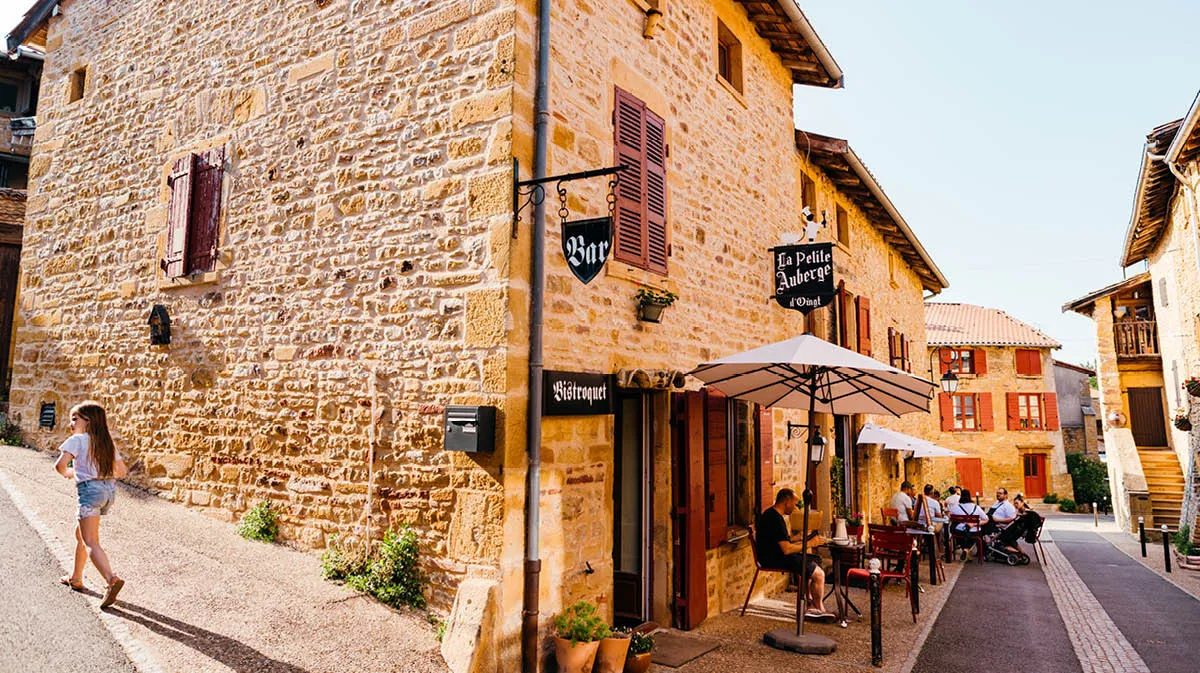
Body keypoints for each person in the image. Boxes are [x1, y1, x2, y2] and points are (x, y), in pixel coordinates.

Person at [55, 401, 127, 608]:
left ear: (88, 421)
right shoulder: (106, 443)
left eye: (75, 418)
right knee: (81, 534)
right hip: (108, 492)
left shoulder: (76, 440)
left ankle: (111, 579)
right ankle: (76, 578)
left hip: (90, 491)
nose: (71, 422)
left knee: (91, 541)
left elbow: (60, 465)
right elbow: (121, 471)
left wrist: (70, 473)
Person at [755, 488, 831, 618]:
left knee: (812, 560)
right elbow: (786, 549)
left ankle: (811, 603)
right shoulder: (776, 520)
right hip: (774, 558)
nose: (795, 507)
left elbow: (779, 540)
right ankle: (819, 610)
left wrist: (799, 537)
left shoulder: (770, 514)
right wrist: (810, 544)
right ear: (786, 502)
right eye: (794, 504)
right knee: (819, 574)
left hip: (772, 554)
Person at [949, 488, 989, 558]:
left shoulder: (955, 507)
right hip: (974, 531)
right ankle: (967, 550)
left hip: (960, 531)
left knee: (962, 532)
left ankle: (965, 549)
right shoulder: (976, 507)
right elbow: (986, 519)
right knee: (976, 534)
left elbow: (951, 518)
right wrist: (974, 524)